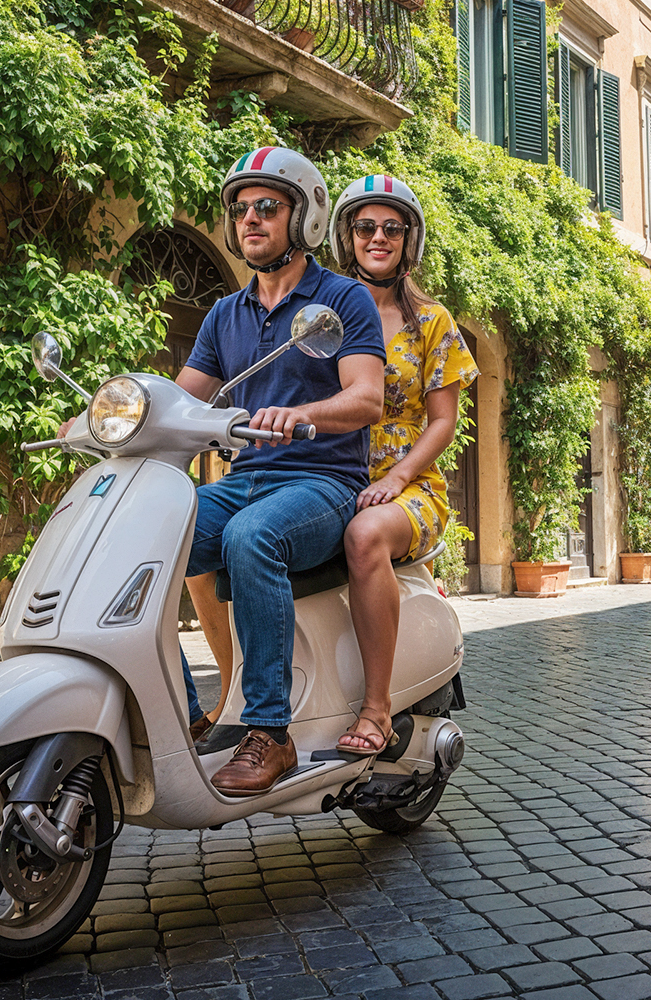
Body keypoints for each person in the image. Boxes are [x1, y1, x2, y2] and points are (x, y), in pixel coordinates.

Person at [174, 145, 387, 795]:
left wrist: (301, 416)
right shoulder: (224, 315)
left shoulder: (343, 300)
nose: (250, 219)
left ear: (304, 219)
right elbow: (184, 399)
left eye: (267, 206)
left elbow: (367, 397)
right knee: (155, 532)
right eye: (240, 209)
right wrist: (108, 420)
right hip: (245, 480)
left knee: (250, 538)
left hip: (322, 482)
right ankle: (176, 710)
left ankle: (269, 732)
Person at [325, 174, 477, 754]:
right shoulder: (322, 314)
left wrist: (397, 476)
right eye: (366, 227)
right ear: (348, 237)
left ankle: (377, 708)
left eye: (391, 227)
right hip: (330, 476)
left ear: (408, 239)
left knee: (365, 536)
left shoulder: (433, 321)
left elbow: (442, 421)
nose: (378, 237)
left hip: (408, 486)